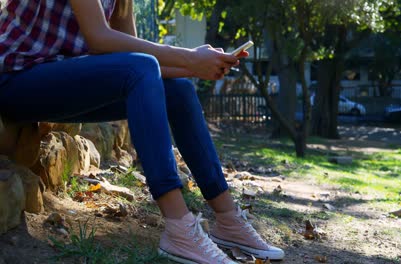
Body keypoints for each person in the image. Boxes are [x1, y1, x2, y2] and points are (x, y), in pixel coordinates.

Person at [0, 1, 285, 263]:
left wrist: (197, 68)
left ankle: (228, 219)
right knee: (146, 67)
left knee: (180, 89)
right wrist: (189, 58)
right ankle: (179, 227)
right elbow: (99, 38)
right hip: (14, 79)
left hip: (59, 82)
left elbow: (133, 59)